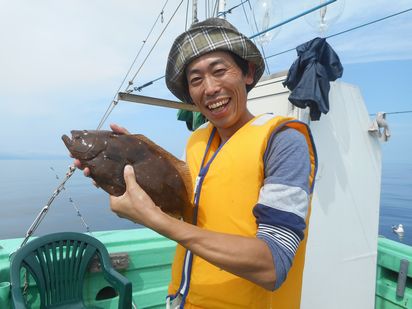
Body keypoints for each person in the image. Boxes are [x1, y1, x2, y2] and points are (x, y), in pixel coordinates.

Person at [75, 18, 317, 309]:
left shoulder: (284, 142)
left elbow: (273, 263)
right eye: (196, 79)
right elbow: (184, 208)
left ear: (248, 73)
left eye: (219, 71)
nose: (211, 88)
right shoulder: (197, 141)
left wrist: (153, 220)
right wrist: (132, 162)